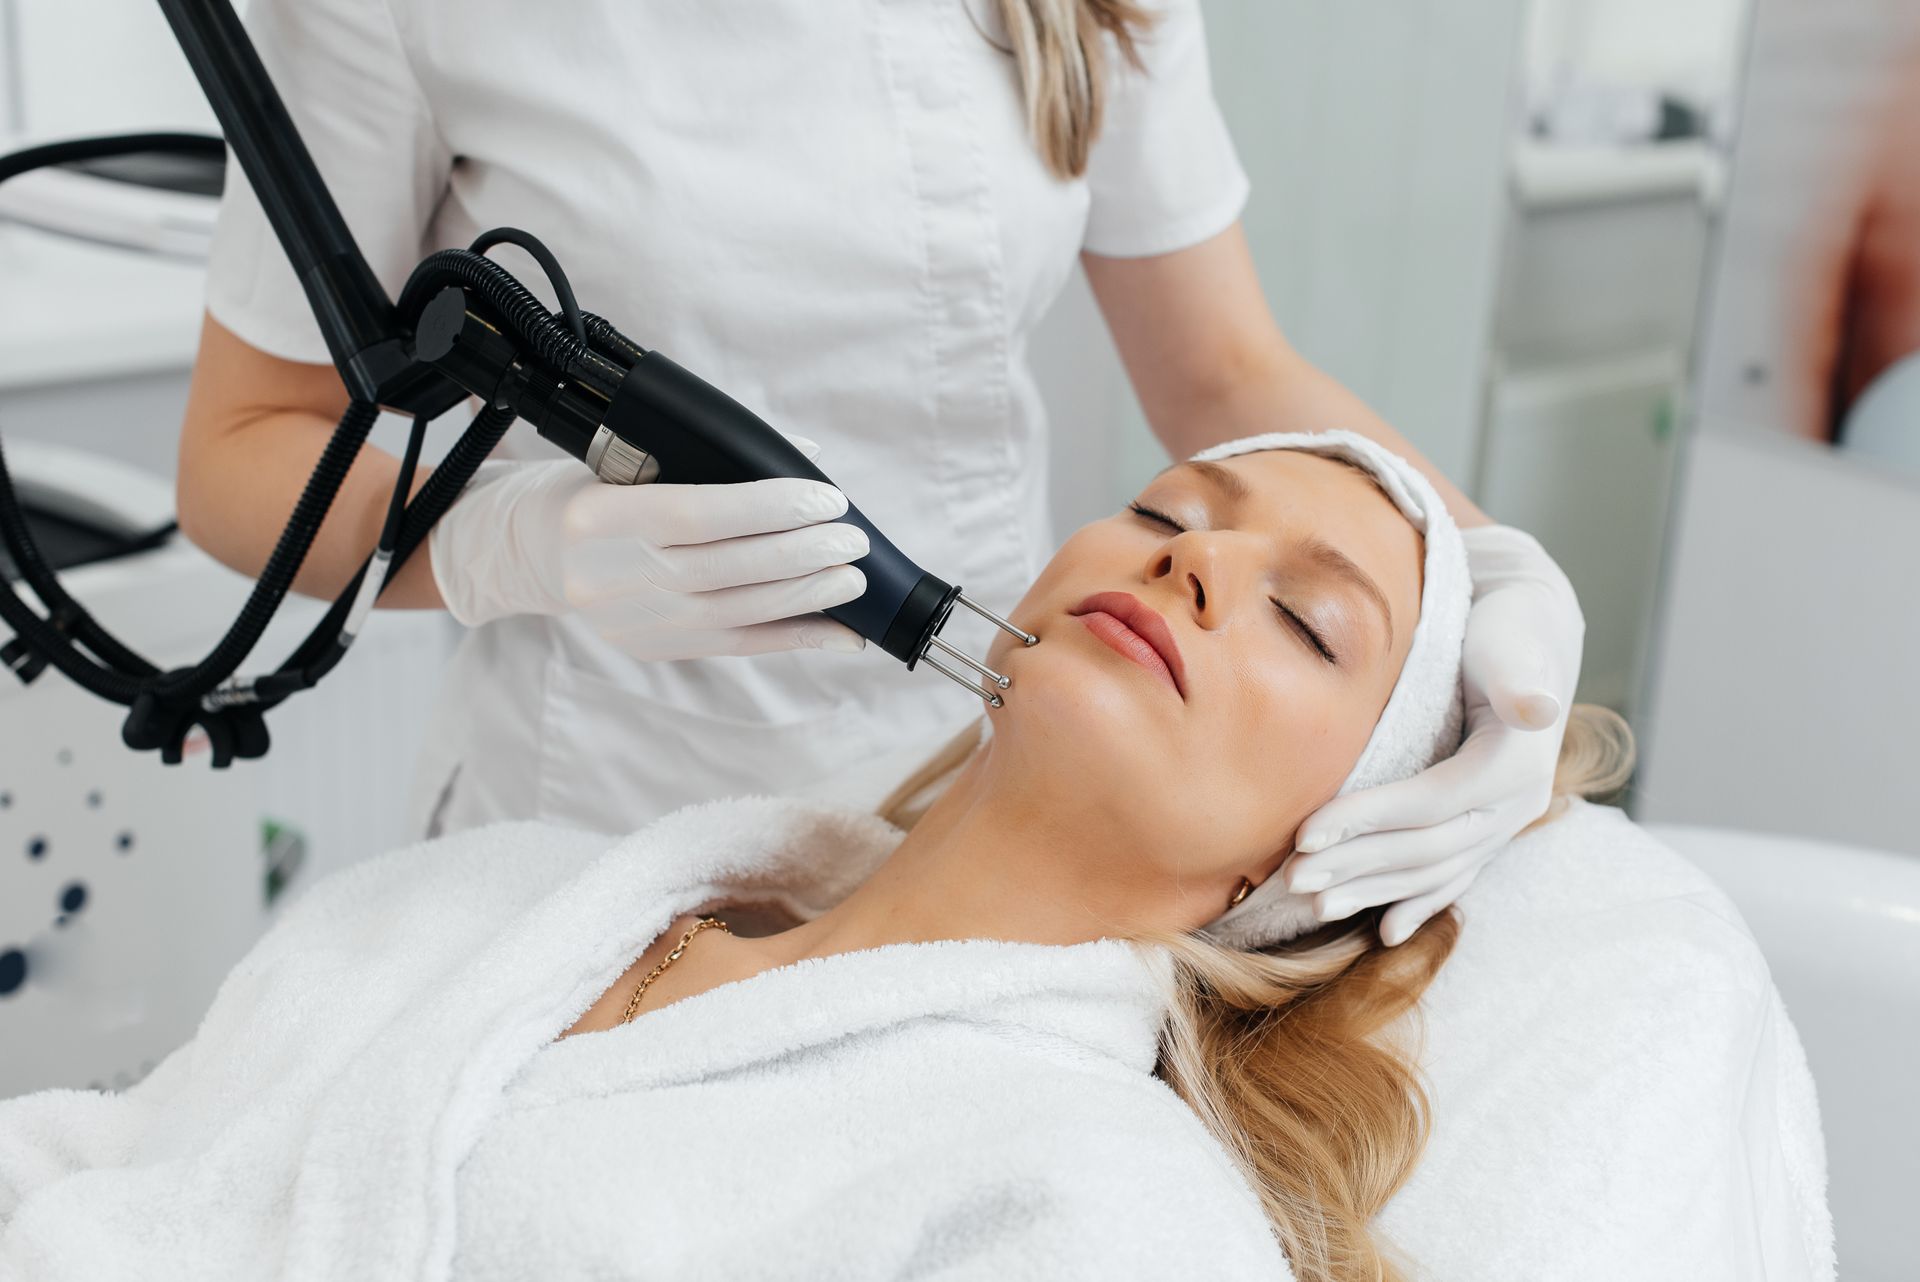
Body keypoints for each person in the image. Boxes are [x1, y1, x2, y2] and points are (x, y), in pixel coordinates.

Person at [0, 434, 1628, 1281]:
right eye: (1159, 508)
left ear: (1323, 859)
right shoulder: (498, 899)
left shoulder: (1100, 1210)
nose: (1197, 558)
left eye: (1306, 617)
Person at [175, 0, 1586, 945]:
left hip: (1000, 785)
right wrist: (514, 545)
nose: (1190, 555)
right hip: (594, 810)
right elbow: (241, 457)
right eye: (1161, 517)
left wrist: (1498, 571)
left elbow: (1220, 375)